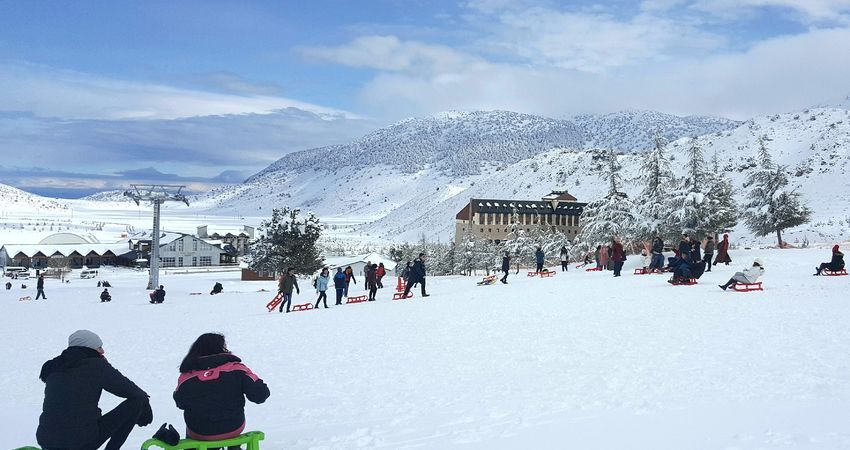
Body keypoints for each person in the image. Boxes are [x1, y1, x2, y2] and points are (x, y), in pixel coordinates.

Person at [36, 330, 153, 450]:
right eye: (99, 347)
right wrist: (145, 404)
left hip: (46, 440)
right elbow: (130, 390)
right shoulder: (94, 365)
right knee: (136, 402)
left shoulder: (54, 367)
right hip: (80, 442)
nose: (103, 351)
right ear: (88, 348)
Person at [174, 333, 270, 442]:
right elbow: (260, 396)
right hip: (233, 427)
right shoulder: (237, 369)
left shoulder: (186, 376)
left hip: (199, 431)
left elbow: (180, 403)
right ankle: (234, 447)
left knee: (196, 424)